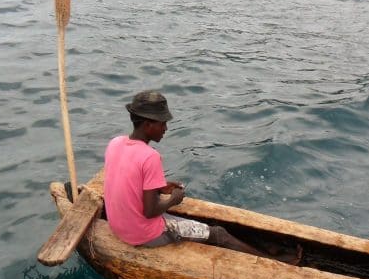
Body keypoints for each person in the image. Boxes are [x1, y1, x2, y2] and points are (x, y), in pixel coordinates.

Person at [103, 90, 301, 264]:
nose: (166, 129)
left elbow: (130, 179)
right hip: (142, 235)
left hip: (119, 227)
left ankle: (265, 249)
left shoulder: (115, 143)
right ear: (148, 124)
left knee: (207, 227)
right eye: (162, 123)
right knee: (217, 233)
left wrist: (159, 187)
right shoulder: (150, 156)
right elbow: (149, 211)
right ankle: (274, 262)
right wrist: (174, 199)